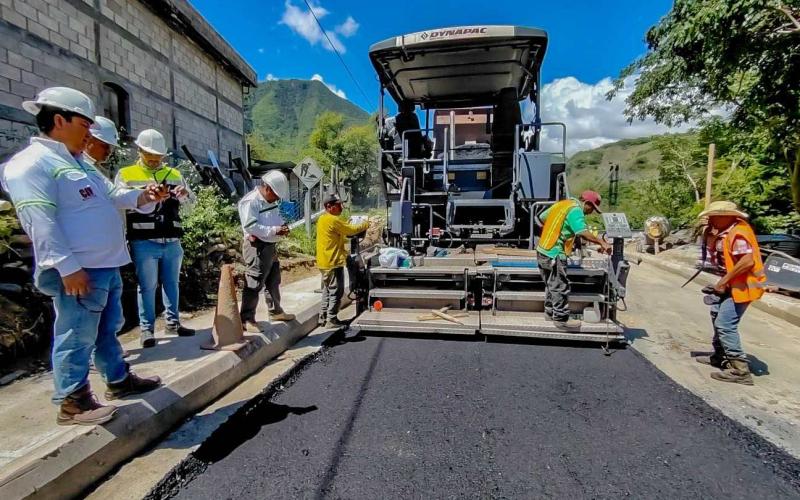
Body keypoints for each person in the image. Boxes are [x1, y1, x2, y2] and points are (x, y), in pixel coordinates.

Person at [1, 87, 166, 426]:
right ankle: (73, 401)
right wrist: (66, 267)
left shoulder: (79, 164)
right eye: (85, 124)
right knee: (76, 334)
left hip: (104, 266)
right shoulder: (31, 165)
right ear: (59, 119)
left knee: (107, 329)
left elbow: (114, 195)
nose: (90, 133)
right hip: (79, 271)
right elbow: (39, 221)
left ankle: (118, 380)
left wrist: (144, 196)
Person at [115, 129, 195, 348]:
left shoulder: (175, 175)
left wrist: (185, 195)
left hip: (171, 240)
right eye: (149, 155)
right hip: (143, 240)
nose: (153, 160)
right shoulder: (126, 174)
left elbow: (190, 206)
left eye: (157, 157)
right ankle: (146, 330)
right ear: (139, 150)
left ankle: (173, 323)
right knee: (147, 286)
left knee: (172, 283)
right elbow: (119, 203)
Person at [694, 201, 766, 385]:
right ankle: (719, 356)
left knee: (725, 324)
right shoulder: (725, 232)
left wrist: (723, 282)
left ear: (727, 216)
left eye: (714, 216)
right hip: (731, 285)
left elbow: (747, 262)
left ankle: (740, 371)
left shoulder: (738, 233)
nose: (710, 219)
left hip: (743, 287)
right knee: (716, 314)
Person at [535, 190, 611, 329]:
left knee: (551, 284)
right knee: (560, 286)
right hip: (554, 252)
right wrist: (602, 242)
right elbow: (582, 232)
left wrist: (559, 230)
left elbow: (542, 217)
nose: (591, 212)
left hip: (542, 249)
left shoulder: (563, 204)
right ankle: (561, 319)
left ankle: (550, 312)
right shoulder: (576, 210)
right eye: (592, 208)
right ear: (587, 203)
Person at [238, 170, 296, 332]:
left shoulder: (270, 201)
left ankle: (275, 311)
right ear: (268, 188)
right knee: (254, 282)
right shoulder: (251, 202)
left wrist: (282, 227)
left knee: (273, 280)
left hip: (270, 245)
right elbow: (251, 226)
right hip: (257, 247)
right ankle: (247, 319)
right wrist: (274, 230)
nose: (277, 199)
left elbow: (275, 218)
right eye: (276, 195)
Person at [316, 193, 370, 327]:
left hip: (324, 262)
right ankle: (331, 319)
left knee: (327, 290)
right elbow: (351, 230)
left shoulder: (323, 219)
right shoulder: (333, 220)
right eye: (338, 205)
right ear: (329, 206)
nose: (341, 207)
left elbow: (340, 232)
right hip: (332, 262)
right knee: (336, 291)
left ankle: (323, 317)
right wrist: (366, 224)